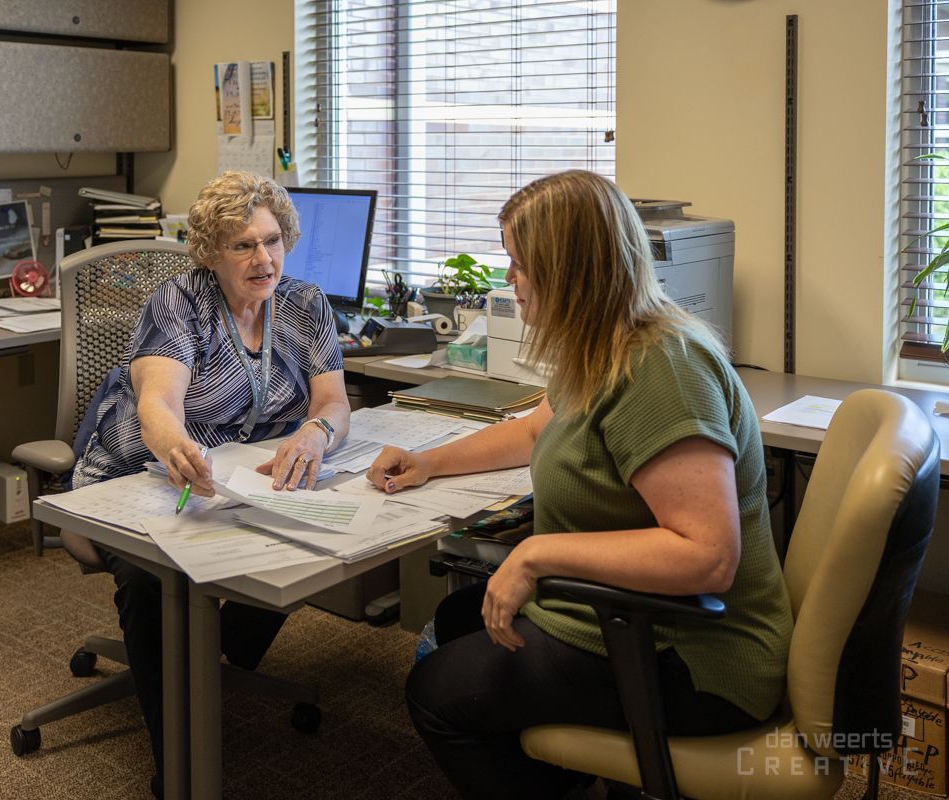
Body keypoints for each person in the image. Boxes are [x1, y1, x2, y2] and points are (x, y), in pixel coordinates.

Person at [366, 170, 792, 798]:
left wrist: (537, 553)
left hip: (696, 656)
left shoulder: (660, 369)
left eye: (518, 264)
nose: (507, 278)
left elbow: (708, 555)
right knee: (457, 621)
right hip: (620, 613)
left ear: (568, 271)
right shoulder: (599, 346)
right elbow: (539, 431)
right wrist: (434, 462)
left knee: (434, 693)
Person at [73, 171, 351, 796]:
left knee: (308, 536)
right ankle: (176, 762)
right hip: (143, 472)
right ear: (209, 252)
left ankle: (210, 656)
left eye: (274, 240)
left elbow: (333, 401)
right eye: (244, 245)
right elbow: (157, 401)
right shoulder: (181, 302)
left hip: (234, 482)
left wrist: (315, 434)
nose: (264, 259)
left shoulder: (305, 306)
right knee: (151, 578)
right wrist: (176, 447)